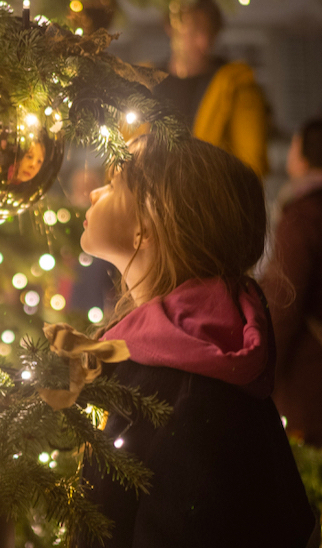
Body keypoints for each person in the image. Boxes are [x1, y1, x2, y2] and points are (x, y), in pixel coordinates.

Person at [75, 133, 315, 547]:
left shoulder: (189, 391)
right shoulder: (171, 358)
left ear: (146, 228)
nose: (95, 192)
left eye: (114, 184)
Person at [153, 0, 269, 178]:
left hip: (210, 200)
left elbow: (251, 165)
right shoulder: (145, 84)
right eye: (196, 28)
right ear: (171, 26)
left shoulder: (235, 85)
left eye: (210, 32)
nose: (204, 41)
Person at [260, 118, 322, 446]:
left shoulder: (303, 215)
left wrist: (263, 371)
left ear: (303, 156)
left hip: (309, 375)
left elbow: (285, 299)